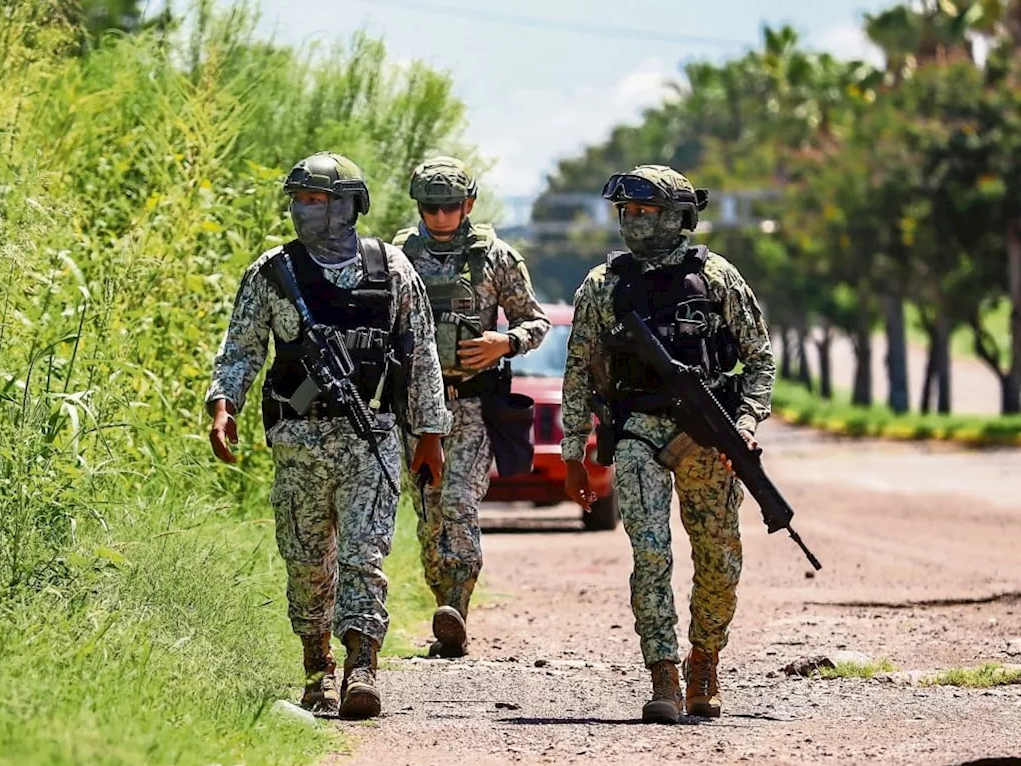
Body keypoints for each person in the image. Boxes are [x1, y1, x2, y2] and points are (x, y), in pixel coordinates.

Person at [205, 152, 449, 720]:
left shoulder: (392, 270)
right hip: (298, 444)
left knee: (364, 556)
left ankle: (361, 666)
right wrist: (224, 405)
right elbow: (241, 348)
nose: (305, 210)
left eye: (317, 200)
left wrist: (430, 432)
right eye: (300, 200)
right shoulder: (272, 272)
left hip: (372, 441)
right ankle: (318, 673)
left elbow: (421, 357)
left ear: (348, 205)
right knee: (308, 563)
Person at [560, 165, 775, 723]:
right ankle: (663, 673)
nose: (633, 222)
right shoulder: (602, 285)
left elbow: (760, 359)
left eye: (646, 212)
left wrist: (746, 426)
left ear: (679, 217)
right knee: (650, 554)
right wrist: (572, 453)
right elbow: (579, 371)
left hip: (707, 437)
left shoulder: (718, 277)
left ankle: (704, 658)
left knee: (719, 556)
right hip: (636, 434)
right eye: (626, 212)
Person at [392, 156, 549, 658]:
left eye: (450, 208)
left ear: (470, 204)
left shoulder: (496, 257)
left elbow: (536, 322)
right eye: (431, 208)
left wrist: (503, 343)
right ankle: (444, 608)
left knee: (459, 503)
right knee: (430, 512)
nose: (440, 218)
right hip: (417, 410)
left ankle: (456, 608)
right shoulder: (398, 256)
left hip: (474, 406)